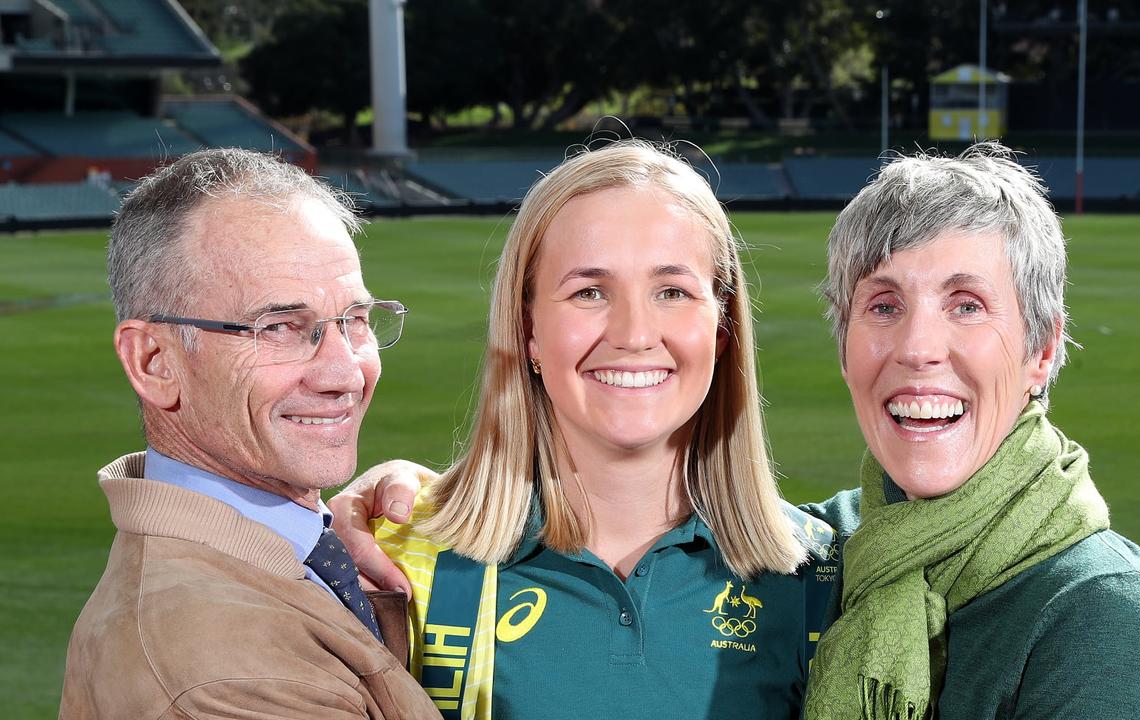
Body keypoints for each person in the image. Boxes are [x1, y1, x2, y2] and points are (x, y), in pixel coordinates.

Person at [330, 140, 859, 720]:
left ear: (723, 326)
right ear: (527, 329)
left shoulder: (823, 575)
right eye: (589, 292)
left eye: (672, 292)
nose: (634, 333)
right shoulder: (394, 565)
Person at [803, 143, 1140, 719]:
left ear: (1040, 349)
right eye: (884, 306)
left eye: (966, 306)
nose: (918, 349)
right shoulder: (809, 553)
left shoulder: (1102, 612)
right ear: (844, 349)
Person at [59, 148, 442, 720]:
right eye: (281, 328)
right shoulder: (222, 677)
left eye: (355, 320)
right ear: (154, 361)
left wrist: (435, 503)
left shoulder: (300, 549)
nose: (344, 374)